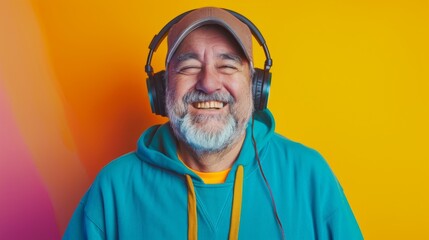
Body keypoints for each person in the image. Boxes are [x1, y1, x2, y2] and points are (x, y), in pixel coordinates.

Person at [63, 6, 363, 240]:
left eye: (227, 65)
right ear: (162, 87)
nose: (208, 83)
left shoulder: (310, 176)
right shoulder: (113, 188)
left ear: (256, 86)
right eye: (189, 66)